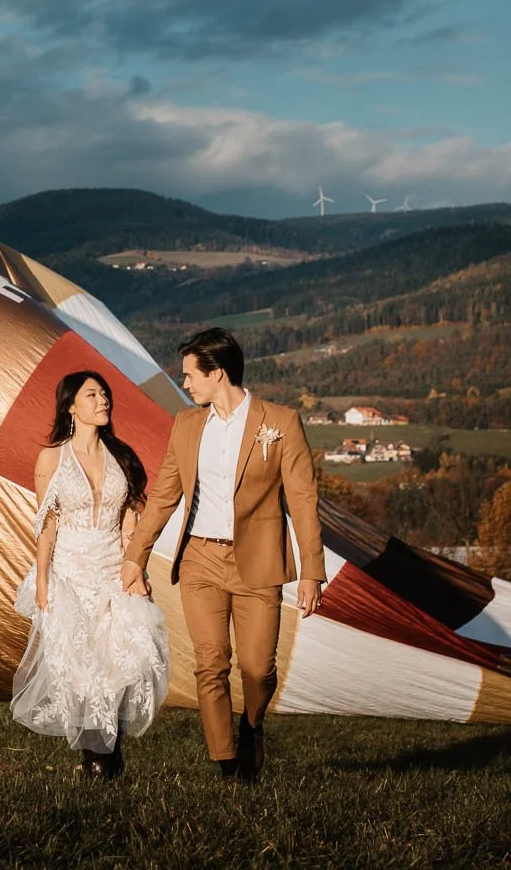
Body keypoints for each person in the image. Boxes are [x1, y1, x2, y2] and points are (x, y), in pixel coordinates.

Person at [121, 327, 325, 782]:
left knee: (257, 668)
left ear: (218, 373)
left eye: (191, 375)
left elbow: (304, 499)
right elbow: (164, 496)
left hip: (258, 563)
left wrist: (313, 571)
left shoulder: (282, 422)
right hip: (199, 561)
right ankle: (225, 761)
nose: (186, 384)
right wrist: (136, 555)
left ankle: (252, 727)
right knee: (211, 662)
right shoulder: (187, 425)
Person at [12, 370, 169, 780]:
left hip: (112, 571)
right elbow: (46, 524)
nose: (103, 401)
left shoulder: (121, 456)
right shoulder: (52, 458)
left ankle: (109, 753)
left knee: (122, 660)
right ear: (70, 406)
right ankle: (96, 760)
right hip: (69, 573)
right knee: (80, 667)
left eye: (105, 394)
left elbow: (129, 521)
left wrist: (137, 568)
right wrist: (43, 580)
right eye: (92, 394)